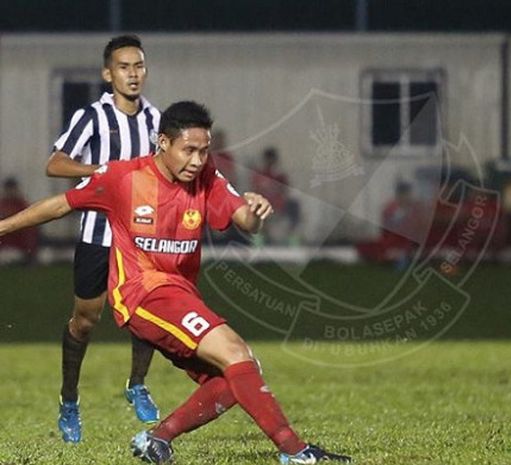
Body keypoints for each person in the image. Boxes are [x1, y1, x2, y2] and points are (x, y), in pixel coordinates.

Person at [0, 101, 351, 464]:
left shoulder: (207, 178)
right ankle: (296, 452)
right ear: (162, 143)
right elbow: (61, 204)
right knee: (236, 353)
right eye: (189, 150)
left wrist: (257, 211)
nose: (197, 160)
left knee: (237, 378)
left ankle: (158, 438)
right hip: (142, 293)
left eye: (204, 151)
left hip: (181, 294)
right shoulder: (124, 178)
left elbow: (245, 220)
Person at [45, 34, 160, 442]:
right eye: (124, 67)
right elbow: (55, 164)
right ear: (107, 73)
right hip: (97, 234)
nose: (133, 74)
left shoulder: (156, 120)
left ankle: (137, 385)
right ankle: (69, 401)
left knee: (147, 318)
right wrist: (98, 171)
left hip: (142, 237)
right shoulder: (91, 117)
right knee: (85, 321)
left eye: (139, 66)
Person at [250, 146, 301, 246]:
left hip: (279, 205)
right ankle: (258, 242)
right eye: (268, 159)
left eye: (272, 159)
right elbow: (255, 191)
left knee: (294, 206)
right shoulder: (259, 175)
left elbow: (285, 191)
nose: (270, 162)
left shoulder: (280, 176)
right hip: (264, 205)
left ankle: (293, 240)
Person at [0, 177, 39, 263]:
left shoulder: (23, 205)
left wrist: (30, 251)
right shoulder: (2, 205)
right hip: (4, 248)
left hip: (19, 249)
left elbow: (30, 231)